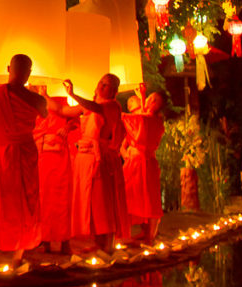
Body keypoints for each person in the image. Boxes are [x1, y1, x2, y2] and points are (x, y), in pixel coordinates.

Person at [0, 54, 47, 266]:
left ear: (8, 69)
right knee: (24, 200)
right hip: (21, 150)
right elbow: (44, 115)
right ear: (29, 73)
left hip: (4, 151)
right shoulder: (37, 99)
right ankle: (17, 253)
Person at [65, 74, 128, 253]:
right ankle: (97, 241)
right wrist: (44, 97)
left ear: (114, 91)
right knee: (90, 201)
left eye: (106, 85)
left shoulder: (111, 106)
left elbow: (97, 108)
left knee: (103, 202)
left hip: (100, 160)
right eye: (100, 82)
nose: (101, 86)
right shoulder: (89, 108)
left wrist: (73, 94)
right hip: (85, 157)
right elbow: (65, 112)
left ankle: (108, 244)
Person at [33, 89, 78, 254]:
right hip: (40, 154)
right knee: (42, 198)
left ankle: (65, 241)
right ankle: (44, 240)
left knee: (61, 198)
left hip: (59, 155)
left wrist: (67, 126)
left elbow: (75, 119)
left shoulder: (58, 100)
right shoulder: (30, 102)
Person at [121, 91, 167, 243]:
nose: (150, 101)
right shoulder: (142, 118)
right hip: (134, 161)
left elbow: (140, 121)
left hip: (145, 162)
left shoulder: (154, 121)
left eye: (155, 100)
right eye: (150, 97)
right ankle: (126, 234)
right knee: (128, 195)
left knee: (150, 198)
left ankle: (150, 235)